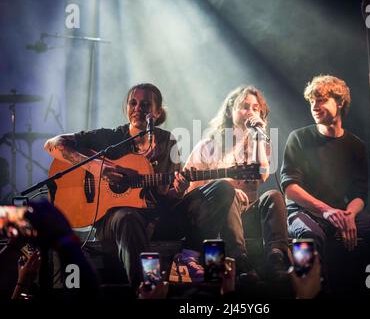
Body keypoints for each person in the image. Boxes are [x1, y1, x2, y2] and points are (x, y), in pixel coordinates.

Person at [44, 83, 235, 291]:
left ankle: (190, 260)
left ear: (157, 111)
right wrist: (98, 168)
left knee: (222, 188)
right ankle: (146, 290)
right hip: (116, 221)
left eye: (145, 104)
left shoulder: (166, 141)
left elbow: (168, 197)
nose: (137, 109)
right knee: (128, 216)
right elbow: (53, 144)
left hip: (158, 219)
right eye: (132, 103)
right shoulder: (111, 138)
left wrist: (178, 190)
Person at [280, 75, 370, 292]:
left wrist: (349, 216)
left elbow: (359, 194)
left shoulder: (356, 145)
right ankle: (306, 293)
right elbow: (290, 188)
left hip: (340, 212)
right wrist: (327, 211)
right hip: (303, 212)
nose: (315, 106)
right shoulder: (298, 138)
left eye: (321, 100)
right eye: (312, 101)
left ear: (340, 102)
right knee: (309, 238)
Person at [184, 86, 291, 281]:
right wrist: (228, 190)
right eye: (244, 106)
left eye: (256, 108)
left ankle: (277, 256)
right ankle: (239, 260)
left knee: (273, 196)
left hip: (247, 214)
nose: (250, 112)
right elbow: (191, 189)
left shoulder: (258, 146)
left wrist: (259, 138)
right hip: (218, 216)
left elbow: (263, 175)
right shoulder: (208, 146)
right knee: (229, 194)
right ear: (230, 111)